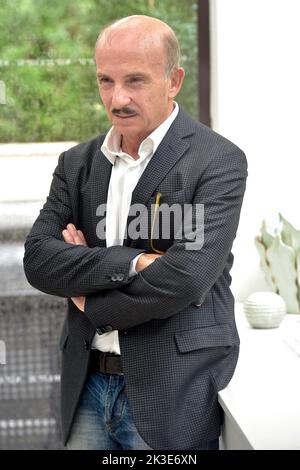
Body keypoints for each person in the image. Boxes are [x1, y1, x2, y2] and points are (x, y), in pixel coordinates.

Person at [23, 15, 247, 450]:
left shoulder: (217, 161)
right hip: (86, 382)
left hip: (172, 389)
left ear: (174, 80)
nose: (117, 97)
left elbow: (187, 277)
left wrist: (88, 295)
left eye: (135, 81)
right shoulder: (77, 163)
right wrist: (134, 261)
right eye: (105, 80)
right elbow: (38, 260)